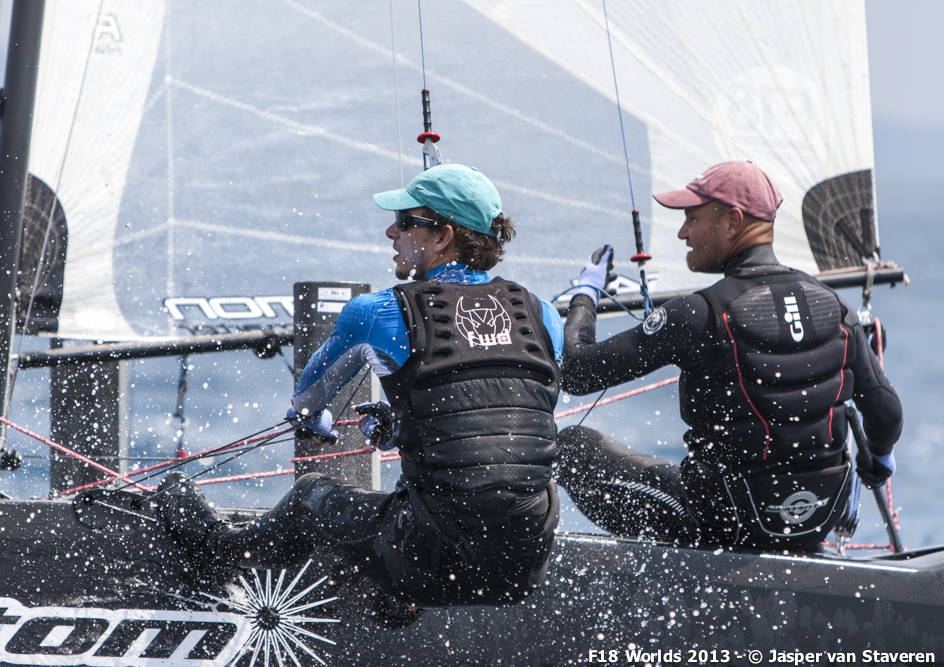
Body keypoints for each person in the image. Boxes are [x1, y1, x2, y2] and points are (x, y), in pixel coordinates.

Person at [157, 164, 564, 610]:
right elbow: (504, 416)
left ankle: (212, 551)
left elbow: (308, 403)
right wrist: (404, 421)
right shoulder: (543, 314)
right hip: (522, 569)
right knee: (449, 507)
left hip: (427, 563)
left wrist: (316, 420)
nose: (392, 231)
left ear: (443, 237)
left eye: (405, 221)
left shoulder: (377, 311)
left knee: (310, 495)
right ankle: (390, 605)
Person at [556, 161, 902, 552]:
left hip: (726, 526)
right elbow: (887, 415)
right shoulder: (836, 307)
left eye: (692, 219)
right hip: (816, 519)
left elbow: (577, 371)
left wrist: (585, 295)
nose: (683, 232)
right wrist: (878, 459)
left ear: (733, 222)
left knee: (571, 449)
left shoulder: (699, 314)